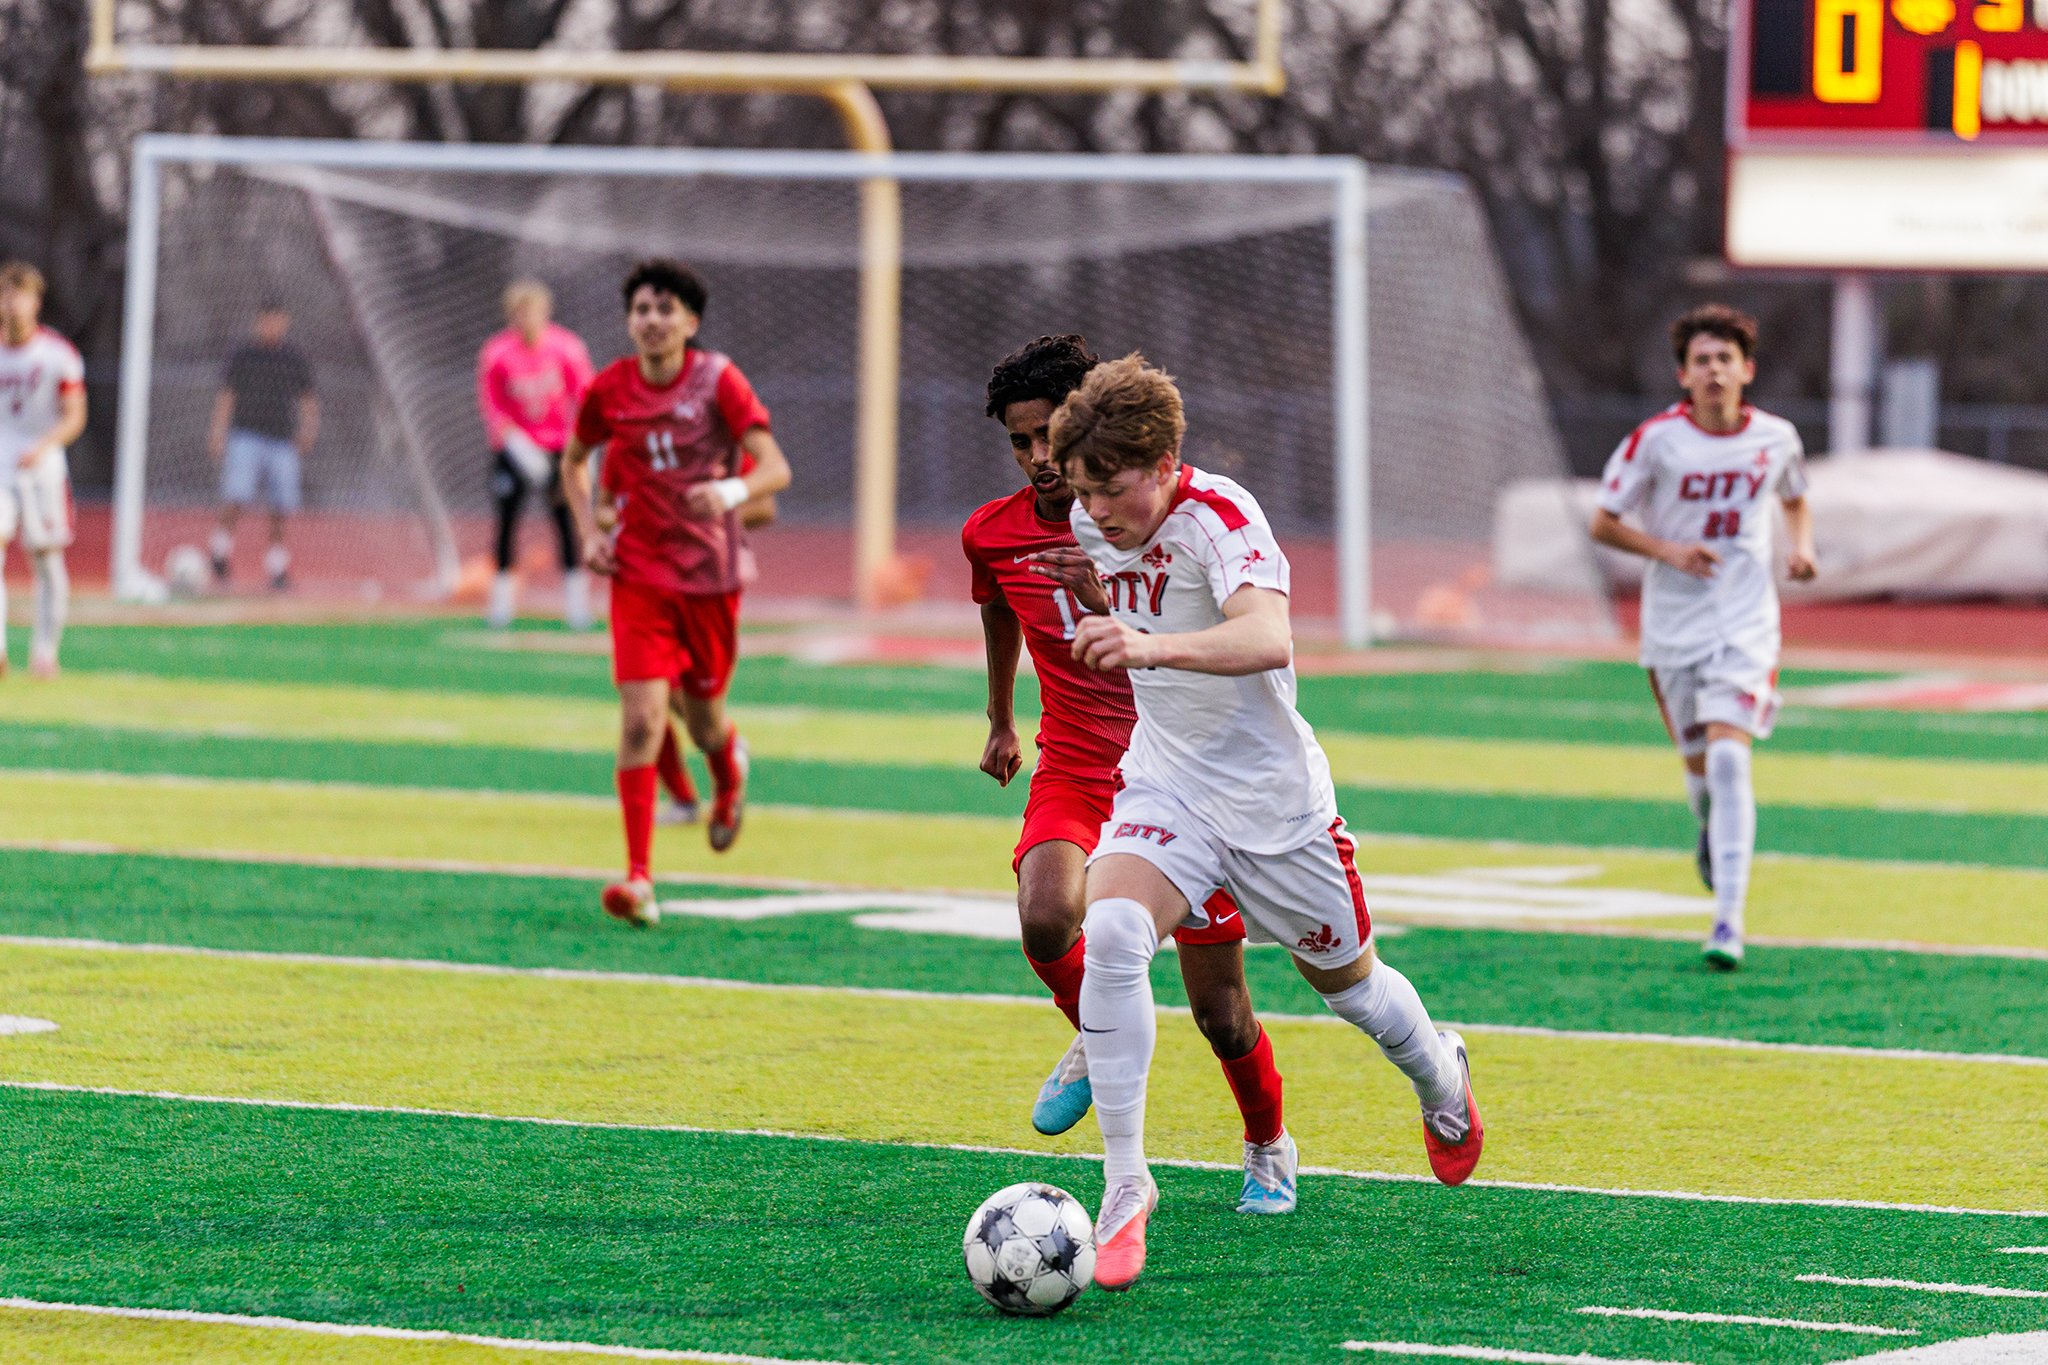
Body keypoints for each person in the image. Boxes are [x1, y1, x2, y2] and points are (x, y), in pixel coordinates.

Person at [1038, 354, 1482, 1292]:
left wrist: (1145, 643)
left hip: (1276, 809)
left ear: (1164, 463)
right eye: (1083, 490)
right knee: (1111, 932)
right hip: (1169, 785)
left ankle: (1442, 1076)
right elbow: (1135, 593)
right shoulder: (1089, 521)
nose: (1097, 510)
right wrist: (1100, 605)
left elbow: (1268, 635)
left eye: (1112, 489)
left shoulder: (1222, 515)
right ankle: (1126, 1184)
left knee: (1353, 991)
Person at [963, 335, 1294, 1216]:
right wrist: (1000, 717)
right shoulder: (992, 532)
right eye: (1020, 441)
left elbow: (1204, 628)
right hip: (1076, 760)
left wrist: (1106, 595)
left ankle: (1268, 1140)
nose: (1038, 456)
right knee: (1045, 916)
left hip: (1182, 772)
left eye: (1049, 435)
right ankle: (1094, 1032)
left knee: (1221, 1011)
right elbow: (998, 606)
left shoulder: (1149, 523)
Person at [561, 259, 791, 926]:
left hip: (709, 580)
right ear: (629, 320)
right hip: (638, 577)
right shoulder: (609, 389)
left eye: (666, 309)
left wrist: (729, 491)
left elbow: (776, 469)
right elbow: (573, 462)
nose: (652, 320)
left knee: (706, 721)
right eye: (642, 309)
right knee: (641, 719)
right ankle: (638, 879)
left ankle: (727, 774)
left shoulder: (718, 380)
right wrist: (591, 533)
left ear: (690, 322)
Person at [1590, 304, 1815, 971]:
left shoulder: (1776, 437)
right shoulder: (1656, 440)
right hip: (1673, 629)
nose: (1714, 370)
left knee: (1729, 761)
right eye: (1701, 360)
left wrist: (1802, 548)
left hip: (1746, 625)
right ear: (1683, 375)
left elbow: (1795, 495)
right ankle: (1709, 829)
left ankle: (1728, 920)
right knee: (1702, 774)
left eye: (1725, 359)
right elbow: (1604, 522)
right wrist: (1669, 551)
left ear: (1747, 369)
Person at [596, 448, 778, 827]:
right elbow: (606, 507)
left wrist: (696, 524)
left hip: (704, 585)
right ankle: (682, 797)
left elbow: (764, 508)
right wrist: (618, 525)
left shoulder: (714, 434)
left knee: (689, 705)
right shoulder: (626, 434)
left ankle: (724, 747)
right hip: (646, 583)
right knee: (641, 692)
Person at [476, 279, 597, 630]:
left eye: (533, 311)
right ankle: (501, 603)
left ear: (546, 312)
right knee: (506, 521)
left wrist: (581, 449)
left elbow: (586, 398)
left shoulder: (567, 348)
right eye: (520, 312)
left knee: (566, 521)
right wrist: (518, 446)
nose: (527, 319)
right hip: (516, 449)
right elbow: (493, 408)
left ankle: (576, 604)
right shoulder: (496, 353)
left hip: (560, 447)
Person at [0, 261, 86, 679]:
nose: (11, 303)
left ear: (36, 302)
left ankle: (45, 654)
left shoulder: (57, 355)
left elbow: (75, 416)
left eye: (20, 295)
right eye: (5, 294)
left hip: (42, 467)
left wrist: (43, 446)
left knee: (46, 559)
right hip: (0, 465)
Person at [208, 302, 318, 590]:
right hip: (245, 436)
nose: (273, 327)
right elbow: (227, 396)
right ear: (259, 322)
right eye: (268, 321)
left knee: (281, 506)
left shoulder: (293, 358)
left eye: (278, 321)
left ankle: (277, 568)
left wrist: (308, 429)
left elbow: (308, 398)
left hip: (282, 440)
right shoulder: (243, 355)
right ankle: (219, 553)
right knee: (236, 496)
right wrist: (218, 432)